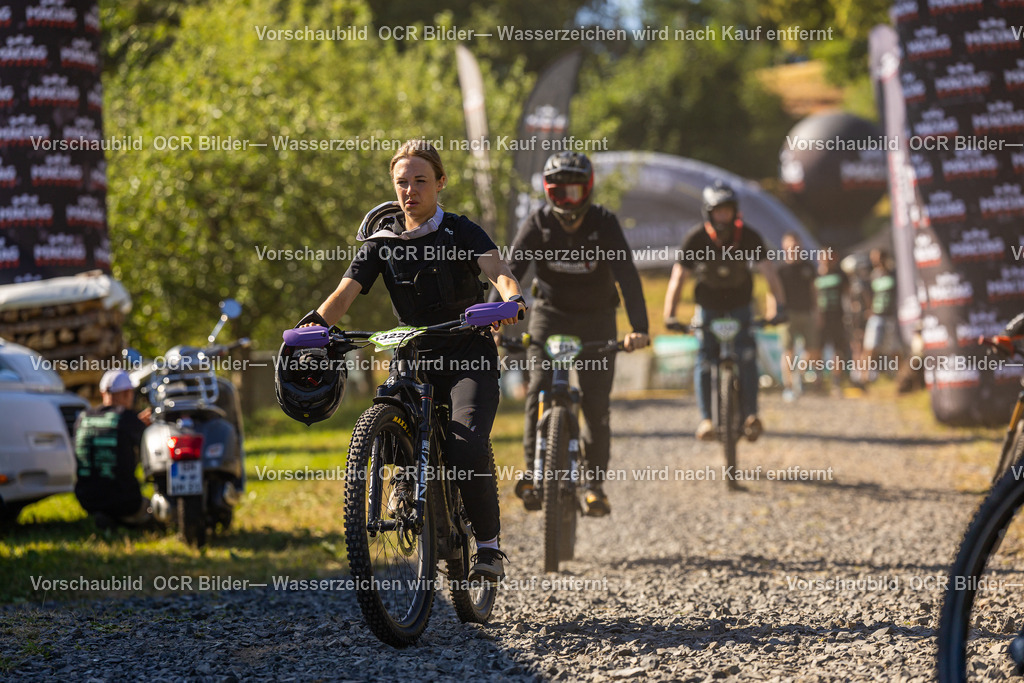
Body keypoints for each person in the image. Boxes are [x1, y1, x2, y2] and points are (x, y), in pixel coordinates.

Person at [301, 140, 525, 583]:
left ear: (440, 183)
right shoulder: (380, 241)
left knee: (465, 442)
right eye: (402, 182)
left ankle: (488, 547)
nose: (410, 190)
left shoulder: (462, 231)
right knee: (385, 407)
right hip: (414, 354)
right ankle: (405, 481)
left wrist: (511, 298)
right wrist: (310, 329)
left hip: (467, 353)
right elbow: (343, 295)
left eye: (420, 181)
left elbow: (497, 270)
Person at [502, 151, 649, 517]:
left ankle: (594, 485)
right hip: (550, 317)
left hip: (598, 321)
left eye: (575, 190)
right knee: (537, 389)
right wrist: (494, 321)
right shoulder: (537, 223)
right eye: (559, 191)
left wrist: (640, 329)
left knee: (596, 407)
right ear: (548, 192)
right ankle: (535, 473)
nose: (567, 199)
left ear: (588, 189)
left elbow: (627, 277)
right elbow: (510, 273)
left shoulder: (605, 223)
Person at [663, 180, 787, 444]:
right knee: (705, 359)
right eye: (718, 211)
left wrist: (780, 307)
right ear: (709, 213)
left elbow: (769, 273)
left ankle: (751, 415)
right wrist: (669, 314)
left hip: (741, 305)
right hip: (708, 308)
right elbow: (678, 278)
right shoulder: (695, 238)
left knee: (746, 356)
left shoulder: (749, 237)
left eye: (728, 210)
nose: (724, 216)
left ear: (735, 211)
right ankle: (707, 420)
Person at [74, 369, 152, 528]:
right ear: (127, 393)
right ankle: (123, 519)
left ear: (103, 393)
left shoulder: (83, 418)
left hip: (86, 498)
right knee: (152, 509)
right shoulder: (128, 418)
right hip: (125, 500)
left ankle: (106, 517)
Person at [776, 232, 820, 401]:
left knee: (812, 350)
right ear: (784, 247)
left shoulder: (808, 267)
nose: (794, 248)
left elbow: (814, 291)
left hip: (807, 312)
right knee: (788, 351)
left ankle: (798, 375)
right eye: (791, 245)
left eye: (797, 245)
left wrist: (817, 311)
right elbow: (773, 292)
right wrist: (774, 311)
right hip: (787, 315)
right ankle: (788, 387)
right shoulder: (780, 269)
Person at [814, 247, 859, 393]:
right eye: (823, 256)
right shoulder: (815, 275)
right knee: (817, 350)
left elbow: (849, 294)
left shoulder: (840, 274)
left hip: (838, 317)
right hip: (820, 318)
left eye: (829, 256)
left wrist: (852, 312)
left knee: (837, 350)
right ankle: (818, 380)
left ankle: (836, 382)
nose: (826, 259)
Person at [863, 248, 902, 379]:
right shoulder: (873, 275)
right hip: (877, 315)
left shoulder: (894, 273)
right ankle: (865, 377)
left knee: (894, 349)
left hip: (891, 316)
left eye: (878, 257)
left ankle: (900, 376)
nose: (875, 260)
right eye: (873, 257)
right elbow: (867, 294)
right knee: (870, 347)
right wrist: (869, 309)